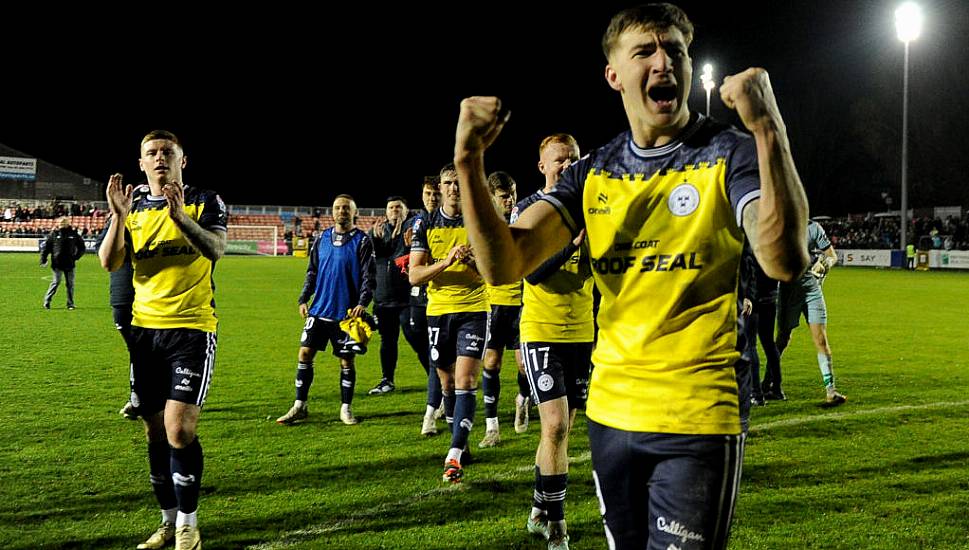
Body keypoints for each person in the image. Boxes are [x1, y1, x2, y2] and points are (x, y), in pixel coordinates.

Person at [452, 4, 811, 548]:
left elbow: (783, 259)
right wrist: (468, 162)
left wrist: (769, 130)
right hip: (611, 414)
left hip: (698, 415)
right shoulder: (594, 170)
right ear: (614, 75)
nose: (664, 62)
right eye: (645, 51)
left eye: (676, 50)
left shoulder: (729, 152)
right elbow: (506, 262)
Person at [100, 130, 228, 550]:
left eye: (167, 153)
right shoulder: (130, 205)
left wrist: (181, 219)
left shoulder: (205, 200)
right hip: (144, 334)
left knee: (180, 429)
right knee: (154, 430)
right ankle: (168, 521)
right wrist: (117, 216)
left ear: (182, 160)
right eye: (151, 154)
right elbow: (110, 262)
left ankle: (189, 525)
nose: (159, 159)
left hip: (191, 329)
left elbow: (216, 249)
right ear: (141, 163)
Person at [515, 133, 593, 549]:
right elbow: (531, 270)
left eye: (573, 160)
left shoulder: (593, 208)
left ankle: (538, 509)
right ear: (542, 165)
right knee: (556, 424)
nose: (566, 166)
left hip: (583, 331)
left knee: (559, 435)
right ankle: (558, 526)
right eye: (559, 160)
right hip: (542, 331)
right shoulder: (528, 209)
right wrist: (572, 244)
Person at [409, 163, 489, 483]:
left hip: (474, 309)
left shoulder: (478, 220)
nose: (454, 188)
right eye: (448, 183)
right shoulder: (425, 222)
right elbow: (415, 274)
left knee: (466, 380)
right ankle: (461, 436)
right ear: (440, 188)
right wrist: (447, 261)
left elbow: (494, 274)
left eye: (458, 183)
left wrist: (472, 261)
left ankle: (454, 453)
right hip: (438, 311)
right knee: (447, 385)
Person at [277, 194, 376, 426]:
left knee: (346, 361)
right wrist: (304, 298)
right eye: (338, 208)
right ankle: (300, 406)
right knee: (304, 354)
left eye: (346, 208)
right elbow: (312, 271)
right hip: (319, 309)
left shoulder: (362, 241)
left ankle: (346, 409)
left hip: (346, 315)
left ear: (355, 213)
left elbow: (368, 277)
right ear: (332, 212)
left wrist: (362, 302)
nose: (341, 211)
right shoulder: (322, 238)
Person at [775, 219, 847, 406]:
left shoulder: (813, 228)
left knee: (821, 340)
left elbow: (832, 256)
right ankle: (770, 382)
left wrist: (825, 264)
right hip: (789, 291)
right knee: (783, 339)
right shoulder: (780, 228)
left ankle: (831, 391)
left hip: (812, 289)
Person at [366, 196, 430, 395]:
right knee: (387, 341)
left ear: (406, 210)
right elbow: (371, 263)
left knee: (416, 338)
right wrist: (375, 242)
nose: (394, 210)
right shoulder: (376, 232)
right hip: (383, 299)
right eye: (391, 207)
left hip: (407, 299)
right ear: (385, 212)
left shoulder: (414, 228)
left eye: (398, 207)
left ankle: (437, 376)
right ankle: (387, 380)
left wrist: (411, 244)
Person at [478, 171, 523, 448]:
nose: (511, 201)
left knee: (523, 365)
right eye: (505, 197)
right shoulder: (484, 226)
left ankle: (522, 399)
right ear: (493, 198)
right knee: (491, 363)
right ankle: (492, 427)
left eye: (513, 194)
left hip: (521, 303)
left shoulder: (524, 220)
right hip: (493, 304)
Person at [96, 208, 149, 420]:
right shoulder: (117, 222)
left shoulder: (152, 223)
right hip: (123, 298)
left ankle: (141, 400)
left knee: (145, 352)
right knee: (139, 351)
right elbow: (104, 251)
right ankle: (140, 399)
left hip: (150, 297)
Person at [413, 176, 447, 436]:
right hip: (425, 300)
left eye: (436, 193)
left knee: (443, 363)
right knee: (435, 360)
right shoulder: (421, 223)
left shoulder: (456, 220)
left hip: (456, 303)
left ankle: (433, 412)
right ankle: (435, 407)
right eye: (428, 193)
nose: (432, 198)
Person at [40, 217, 86, 310]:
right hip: (57, 263)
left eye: (63, 223)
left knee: (70, 284)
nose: (62, 225)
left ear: (67, 224)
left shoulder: (73, 234)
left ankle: (70, 304)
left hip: (70, 263)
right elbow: (46, 248)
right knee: (56, 282)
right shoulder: (54, 234)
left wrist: (76, 257)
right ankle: (47, 301)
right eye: (61, 223)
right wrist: (43, 259)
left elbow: (82, 247)